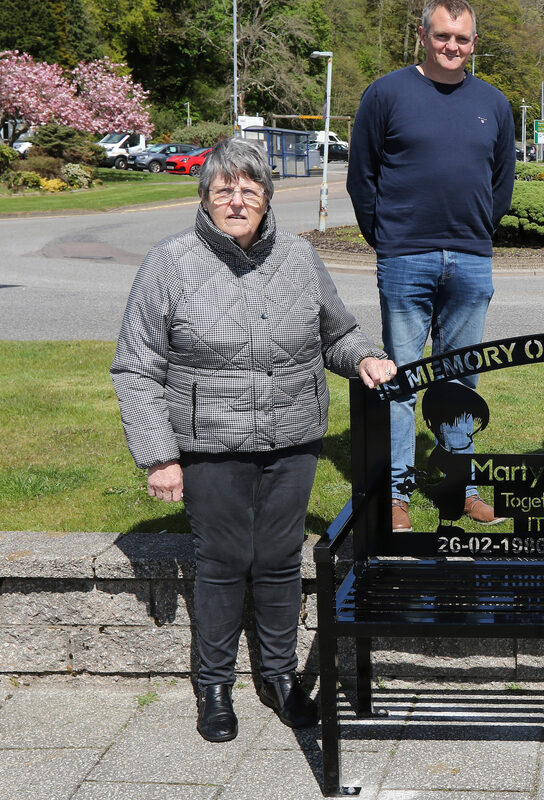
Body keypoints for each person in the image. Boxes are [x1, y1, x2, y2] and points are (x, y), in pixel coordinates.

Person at [111, 137, 396, 743]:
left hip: (292, 440)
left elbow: (336, 335)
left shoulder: (298, 257)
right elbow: (135, 367)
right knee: (221, 563)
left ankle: (279, 676)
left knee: (278, 560)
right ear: (205, 197)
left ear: (267, 198)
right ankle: (213, 686)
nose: (237, 200)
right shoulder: (170, 262)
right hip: (210, 443)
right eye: (224, 190)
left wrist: (366, 357)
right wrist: (159, 454)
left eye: (249, 190)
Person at [347, 0, 516, 533]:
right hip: (405, 259)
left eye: (463, 39)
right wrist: (387, 237)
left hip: (470, 258)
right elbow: (362, 175)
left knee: (462, 381)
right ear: (423, 36)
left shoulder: (494, 102)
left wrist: (477, 230)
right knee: (400, 378)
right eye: (443, 35)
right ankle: (397, 494)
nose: (453, 46)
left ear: (473, 42)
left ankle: (461, 487)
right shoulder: (386, 94)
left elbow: (502, 181)